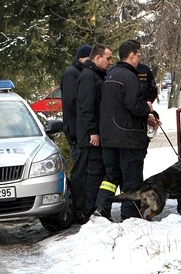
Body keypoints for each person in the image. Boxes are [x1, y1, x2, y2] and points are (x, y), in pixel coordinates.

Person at [94, 39, 155, 221]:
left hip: (109, 137)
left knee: (110, 177)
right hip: (128, 137)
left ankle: (101, 208)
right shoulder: (129, 77)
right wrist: (148, 109)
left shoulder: (110, 75)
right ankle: (130, 217)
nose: (138, 59)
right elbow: (133, 105)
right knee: (131, 179)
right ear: (132, 55)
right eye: (138, 55)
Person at [76, 44, 113, 221]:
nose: (110, 62)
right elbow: (86, 107)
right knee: (94, 173)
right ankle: (90, 213)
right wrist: (93, 131)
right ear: (97, 58)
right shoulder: (88, 76)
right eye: (108, 58)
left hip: (99, 133)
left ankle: (99, 210)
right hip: (92, 137)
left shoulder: (96, 75)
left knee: (100, 172)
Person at [60, 44, 92, 224]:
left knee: (86, 170)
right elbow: (73, 104)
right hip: (77, 132)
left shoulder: (79, 72)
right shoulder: (72, 74)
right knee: (80, 171)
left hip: (80, 130)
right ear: (82, 58)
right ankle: (78, 209)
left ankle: (84, 207)